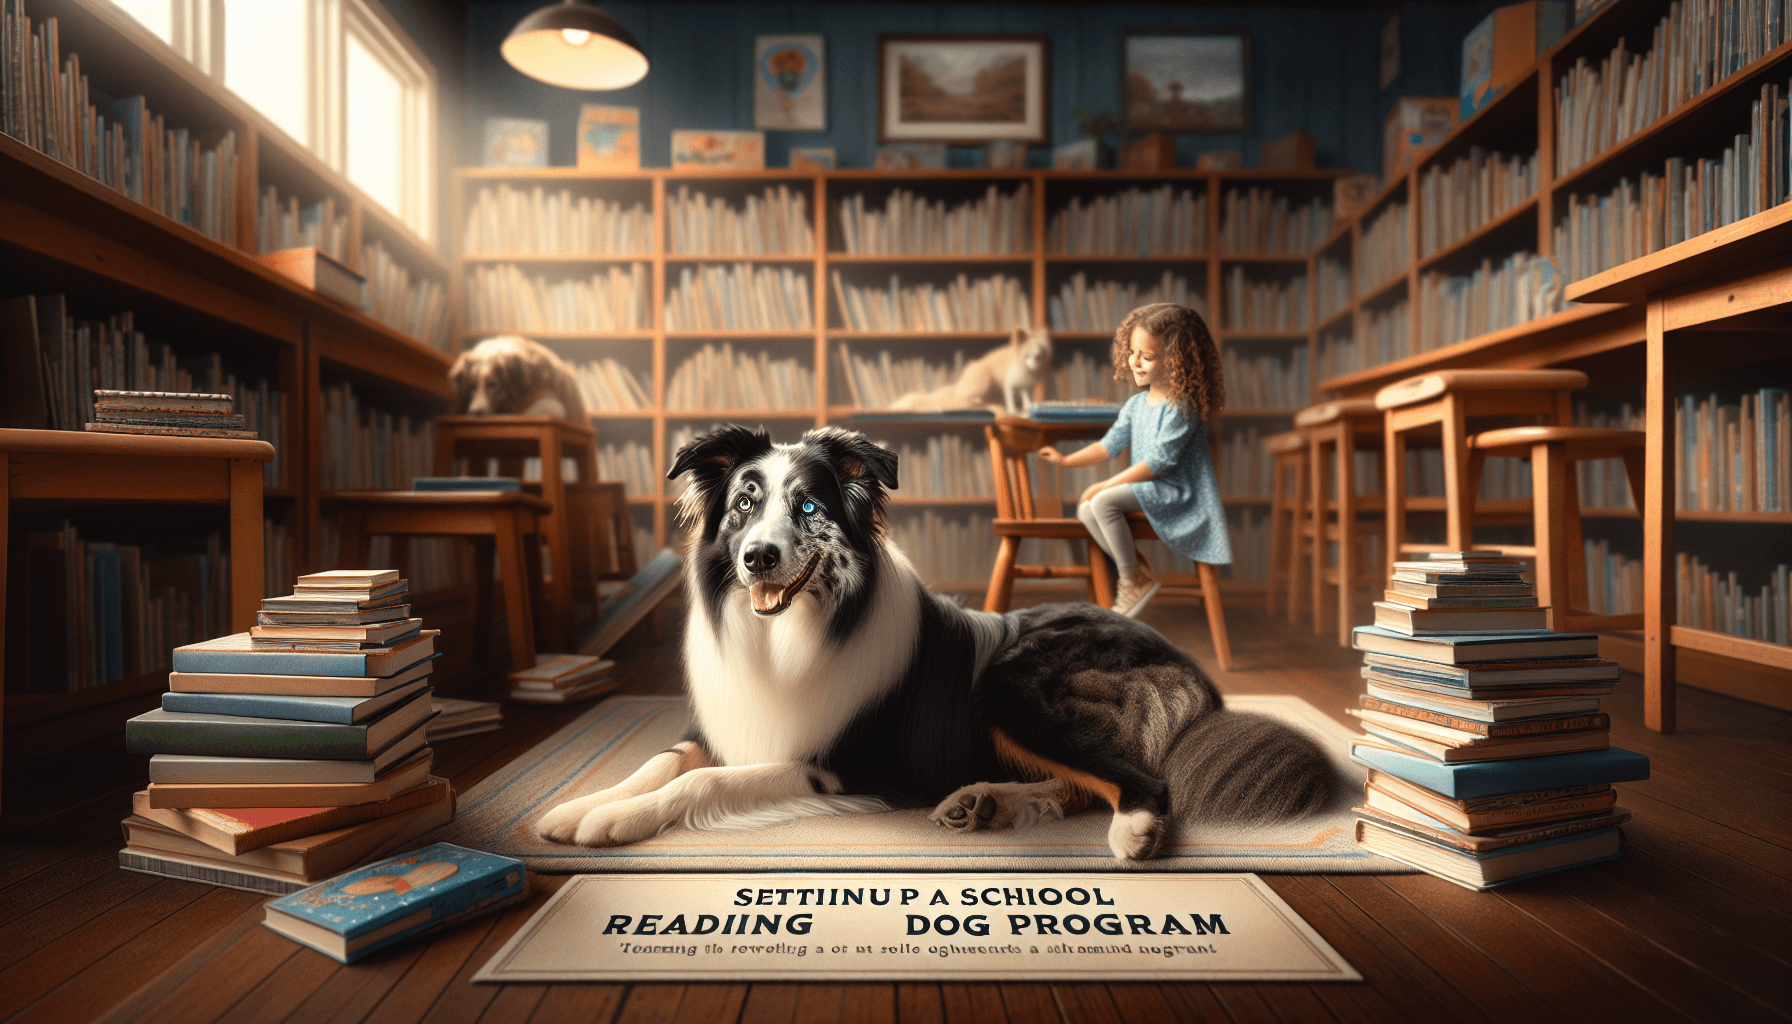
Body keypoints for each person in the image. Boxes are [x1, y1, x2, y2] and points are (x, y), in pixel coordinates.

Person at [1038, 302, 1231, 617]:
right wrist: (1064, 461)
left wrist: (1104, 484)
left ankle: (1130, 579)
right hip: (1150, 488)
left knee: (1101, 502)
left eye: (1147, 356)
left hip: (1179, 492)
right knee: (1086, 508)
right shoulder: (1136, 405)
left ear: (1177, 361)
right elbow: (1107, 446)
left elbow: (1158, 464)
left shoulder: (1183, 406)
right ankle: (1136, 572)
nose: (1135, 363)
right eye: (1132, 352)